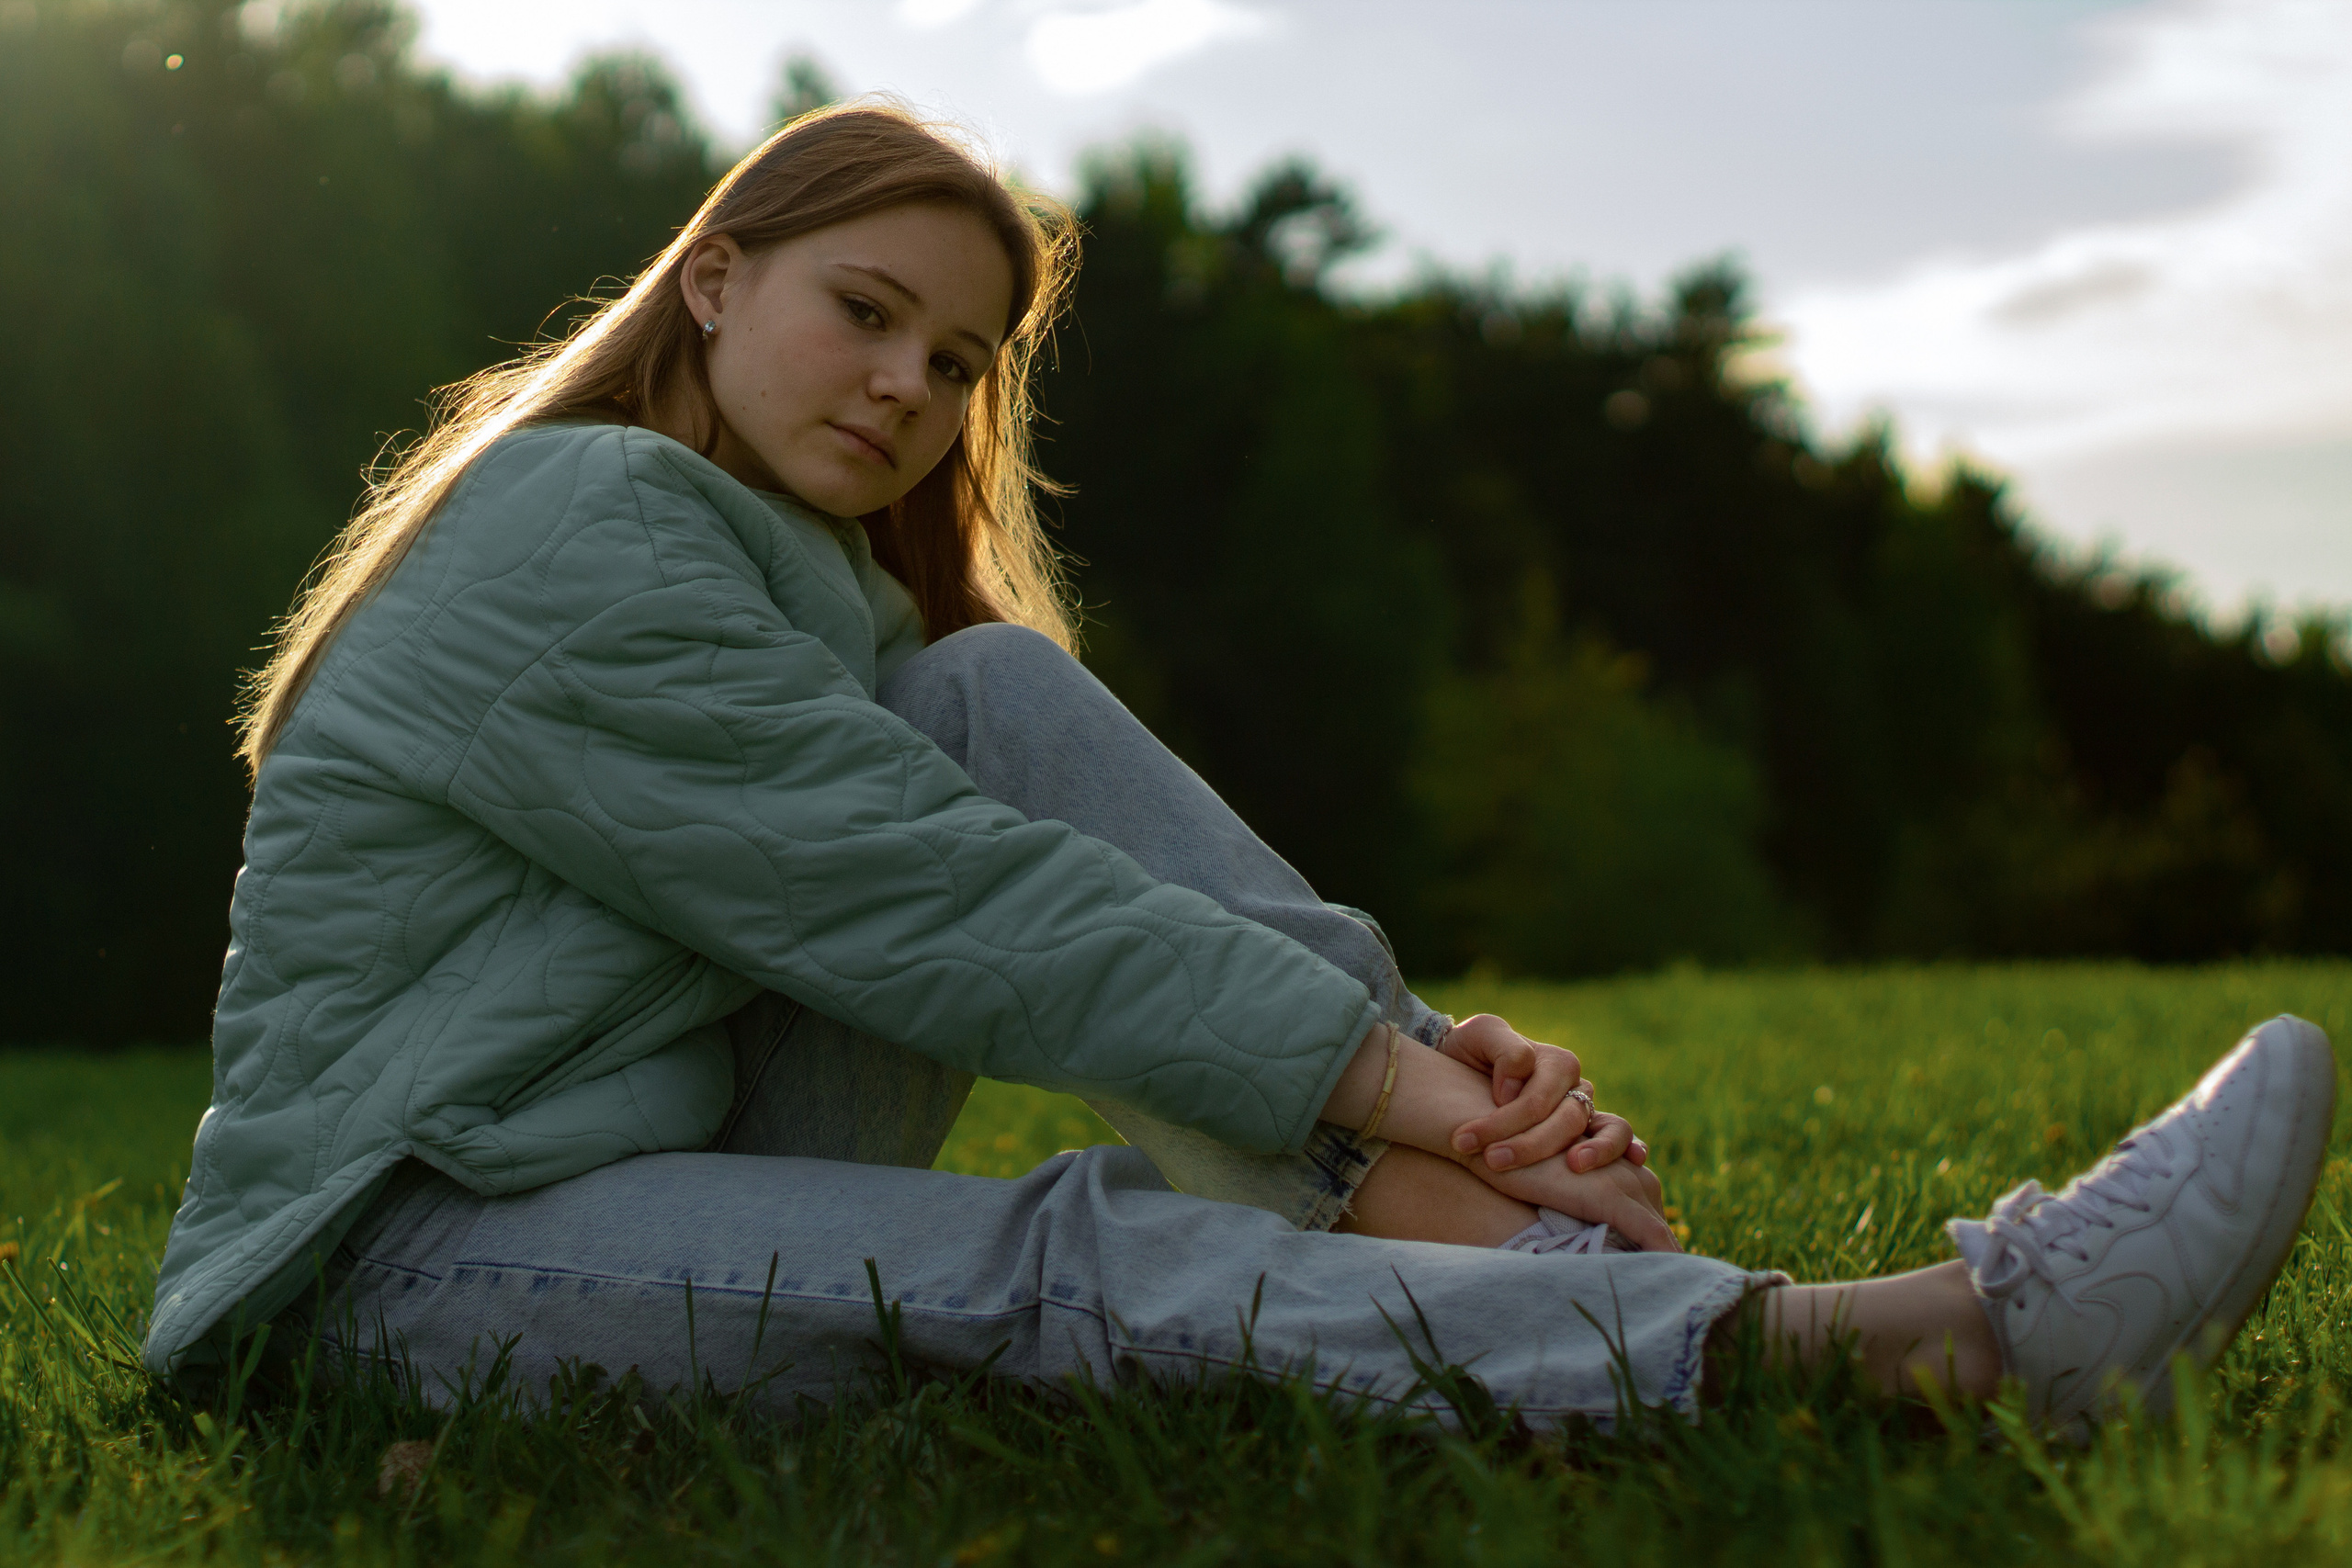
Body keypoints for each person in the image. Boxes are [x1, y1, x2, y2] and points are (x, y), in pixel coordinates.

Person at [146, 104, 2336, 1437]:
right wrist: (1382, 1076)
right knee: (1047, 1257)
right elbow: (919, 901)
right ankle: (1917, 1348)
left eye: (958, 358)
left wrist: (1406, 1064)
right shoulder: (574, 524)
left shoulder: (826, 601)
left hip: (627, 1154)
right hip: (390, 1266)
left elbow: (968, 840)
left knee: (991, 698)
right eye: (864, 310)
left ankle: (1482, 1234)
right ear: (709, 283)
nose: (909, 385)